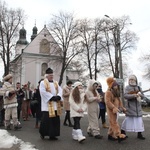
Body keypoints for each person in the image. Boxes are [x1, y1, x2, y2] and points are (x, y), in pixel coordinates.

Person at [39, 67, 63, 140]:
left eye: (52, 75)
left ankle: (53, 135)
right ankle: (43, 133)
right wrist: (51, 97)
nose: (51, 77)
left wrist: (58, 96)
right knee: (46, 121)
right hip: (47, 105)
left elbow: (60, 90)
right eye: (50, 75)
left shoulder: (55, 83)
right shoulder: (43, 83)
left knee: (55, 121)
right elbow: (42, 92)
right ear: (46, 76)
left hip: (55, 105)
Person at [121, 75, 145, 140]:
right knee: (127, 121)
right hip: (130, 108)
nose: (131, 81)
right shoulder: (127, 87)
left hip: (138, 109)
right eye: (130, 80)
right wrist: (134, 95)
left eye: (132, 79)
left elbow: (143, 96)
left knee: (139, 122)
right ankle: (122, 132)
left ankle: (139, 134)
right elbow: (125, 95)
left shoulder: (139, 87)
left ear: (135, 80)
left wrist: (140, 95)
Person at [105, 77, 126, 143]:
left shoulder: (116, 92)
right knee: (114, 123)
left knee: (113, 123)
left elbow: (119, 101)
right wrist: (113, 107)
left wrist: (122, 108)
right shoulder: (108, 92)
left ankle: (110, 135)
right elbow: (107, 102)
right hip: (111, 110)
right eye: (114, 85)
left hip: (116, 111)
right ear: (111, 85)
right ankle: (118, 134)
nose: (116, 86)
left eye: (116, 85)